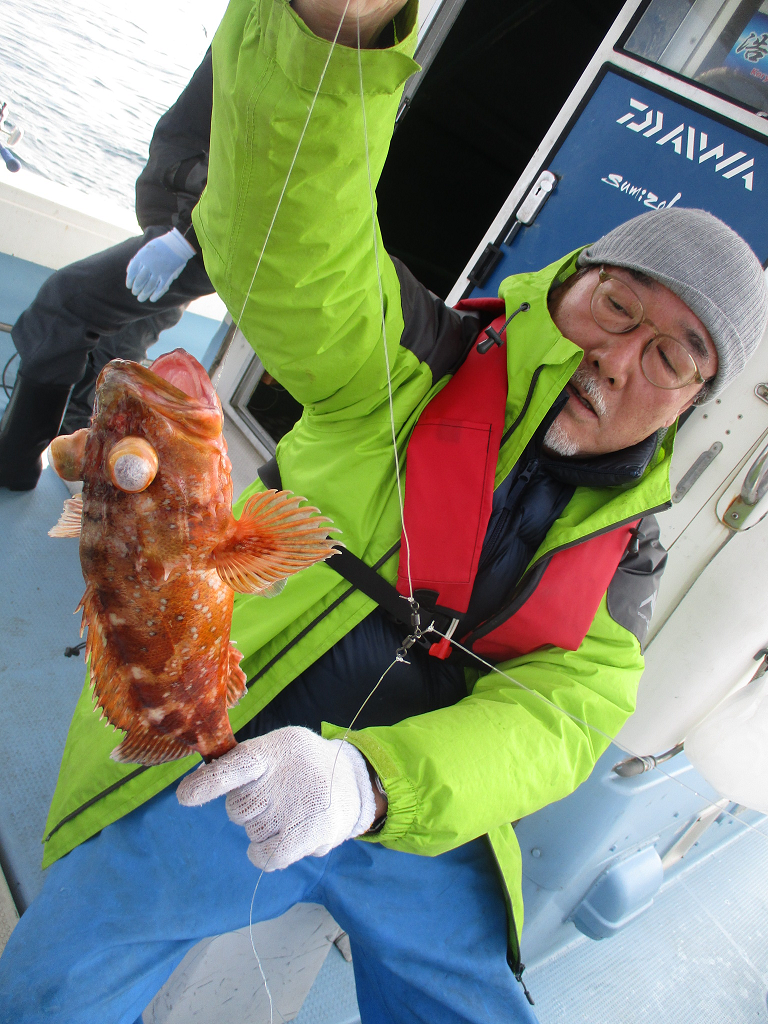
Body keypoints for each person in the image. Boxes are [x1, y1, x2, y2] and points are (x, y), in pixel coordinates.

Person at [1, 1, 767, 1022]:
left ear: (689, 403)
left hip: (406, 813)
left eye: (672, 355)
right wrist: (330, 36)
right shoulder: (408, 362)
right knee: (61, 973)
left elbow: (559, 721)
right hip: (232, 735)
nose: (618, 358)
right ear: (566, 286)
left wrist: (368, 783)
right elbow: (295, 247)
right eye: (617, 306)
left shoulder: (629, 555)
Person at [0, 48, 214, 491]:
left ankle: (14, 463)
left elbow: (272, 160)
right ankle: (83, 446)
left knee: (63, 306)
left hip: (199, 227)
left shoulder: (289, 22)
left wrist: (184, 238)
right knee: (124, 332)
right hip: (183, 215)